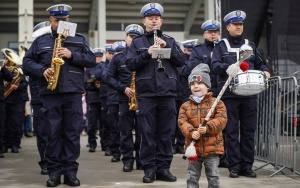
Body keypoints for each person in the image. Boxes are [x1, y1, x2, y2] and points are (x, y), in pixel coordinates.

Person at [23, 4, 96, 187]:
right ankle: (54, 173)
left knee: (72, 135)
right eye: (57, 20)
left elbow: (91, 60)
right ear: (51, 22)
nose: (62, 23)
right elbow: (27, 63)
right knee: (52, 134)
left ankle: (70, 173)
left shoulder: (79, 39)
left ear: (69, 20)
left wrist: (72, 55)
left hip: (73, 93)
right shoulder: (41, 41)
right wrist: (42, 70)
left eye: (65, 20)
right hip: (50, 93)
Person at [125, 2, 185, 183]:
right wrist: (147, 54)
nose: (153, 21)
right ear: (144, 21)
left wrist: (168, 47)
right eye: (150, 19)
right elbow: (130, 64)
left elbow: (181, 61)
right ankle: (149, 169)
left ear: (161, 21)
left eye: (156, 19)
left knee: (167, 133)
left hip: (167, 92)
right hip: (147, 94)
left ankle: (164, 168)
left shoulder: (171, 40)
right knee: (147, 133)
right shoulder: (137, 43)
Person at [211, 10, 271, 178]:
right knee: (231, 132)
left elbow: (261, 64)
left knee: (248, 131)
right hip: (230, 94)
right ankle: (234, 166)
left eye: (241, 25)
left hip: (249, 94)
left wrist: (266, 72)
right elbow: (214, 65)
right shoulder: (220, 46)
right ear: (228, 26)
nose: (239, 27)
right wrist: (226, 68)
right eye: (235, 25)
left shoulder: (250, 45)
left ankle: (247, 166)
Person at [102, 24, 144, 172]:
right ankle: (127, 160)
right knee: (125, 131)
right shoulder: (119, 57)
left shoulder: (146, 56)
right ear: (125, 38)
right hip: (124, 99)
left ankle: (141, 160)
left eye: (137, 37)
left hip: (143, 99)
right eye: (131, 37)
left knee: (143, 131)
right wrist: (123, 88)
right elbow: (107, 76)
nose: (133, 40)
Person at [178, 63, 227, 188]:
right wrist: (190, 132)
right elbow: (182, 122)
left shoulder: (217, 103)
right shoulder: (185, 106)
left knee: (213, 176)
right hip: (193, 149)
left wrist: (208, 127)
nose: (196, 86)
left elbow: (222, 120)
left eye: (199, 83)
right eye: (192, 84)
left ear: (207, 86)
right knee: (192, 176)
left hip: (213, 148)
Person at [173, 39, 198, 155]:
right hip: (176, 93)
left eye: (190, 50)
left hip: (186, 94)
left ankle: (181, 143)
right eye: (187, 50)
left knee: (185, 121)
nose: (188, 52)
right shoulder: (180, 60)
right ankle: (174, 145)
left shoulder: (193, 61)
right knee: (173, 122)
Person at [84, 48, 105, 152]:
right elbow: (85, 84)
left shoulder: (106, 66)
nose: (98, 58)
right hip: (92, 99)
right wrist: (94, 85)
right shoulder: (89, 68)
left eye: (100, 56)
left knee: (104, 123)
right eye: (97, 56)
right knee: (92, 123)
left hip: (103, 98)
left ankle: (105, 144)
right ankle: (92, 143)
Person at [0, 60, 14, 158]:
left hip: (0, 100)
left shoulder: (2, 68)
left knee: (1, 125)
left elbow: (10, 78)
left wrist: (3, 68)